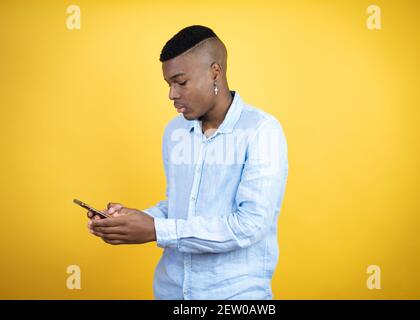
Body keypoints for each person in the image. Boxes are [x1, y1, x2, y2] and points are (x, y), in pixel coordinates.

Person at [88, 25, 288, 300]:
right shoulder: (175, 132)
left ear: (215, 72)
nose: (172, 94)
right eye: (169, 84)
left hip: (234, 296)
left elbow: (250, 225)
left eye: (181, 82)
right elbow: (179, 207)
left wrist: (155, 230)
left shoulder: (261, 130)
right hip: (169, 291)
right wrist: (133, 219)